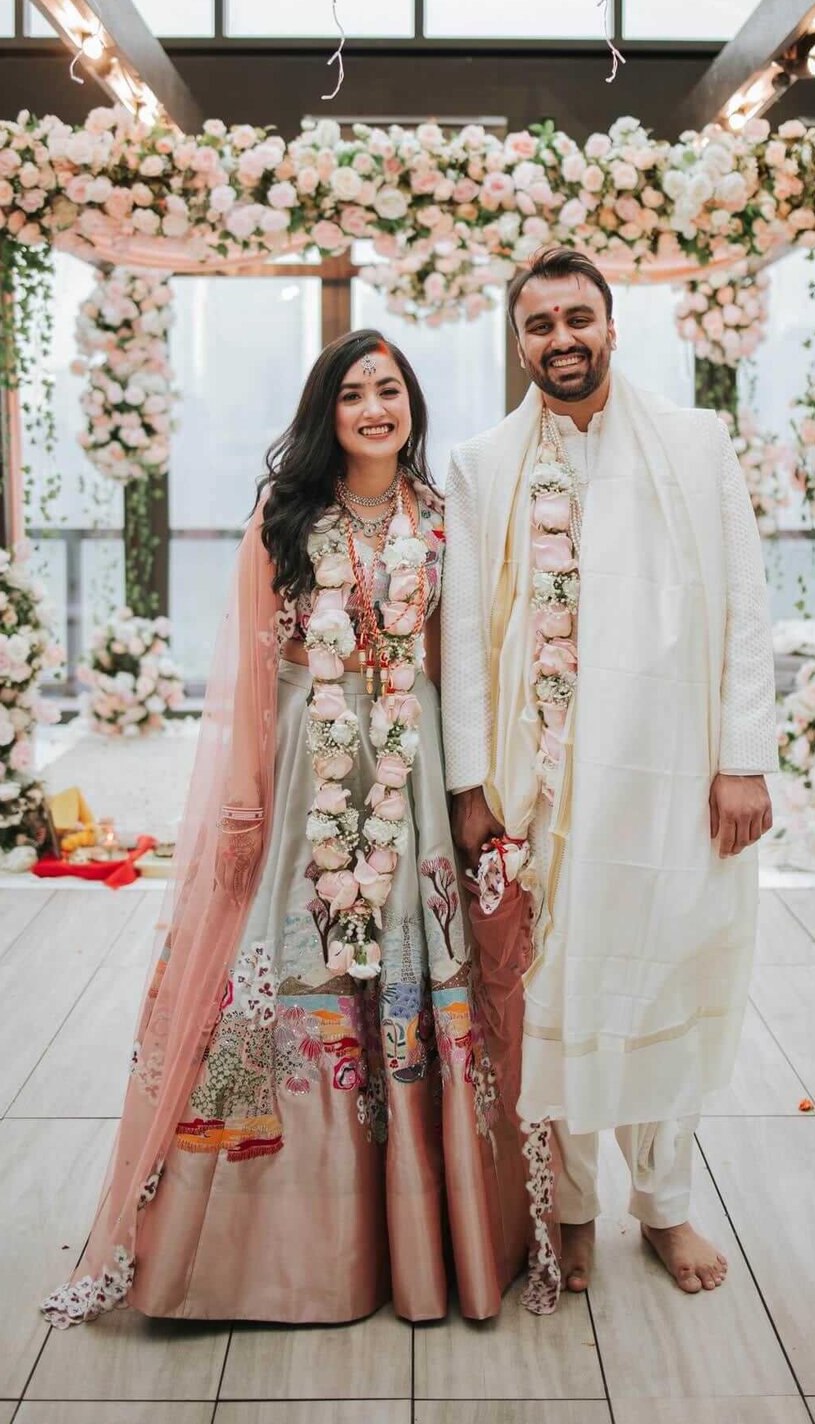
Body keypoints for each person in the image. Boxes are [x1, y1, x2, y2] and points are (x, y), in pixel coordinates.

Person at [43, 329, 528, 1330]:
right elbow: (256, 673)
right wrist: (246, 799)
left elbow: (460, 663)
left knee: (410, 970)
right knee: (289, 961)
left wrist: (471, 789)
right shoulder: (284, 516)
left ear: (412, 406)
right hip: (313, 764)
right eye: (353, 394)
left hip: (413, 761)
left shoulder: (441, 521)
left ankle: (432, 1240)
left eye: (389, 391)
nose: (375, 409)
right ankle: (266, 1250)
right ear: (328, 414)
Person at [442, 246, 776, 1308]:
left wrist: (741, 761)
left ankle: (666, 1206)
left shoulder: (694, 442)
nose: (562, 341)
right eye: (539, 326)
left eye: (578, 319)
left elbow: (747, 608)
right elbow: (457, 644)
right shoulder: (483, 465)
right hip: (536, 790)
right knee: (556, 995)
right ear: (518, 341)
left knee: (663, 974)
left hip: (670, 776)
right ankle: (572, 1212)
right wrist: (467, 788)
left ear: (614, 324)